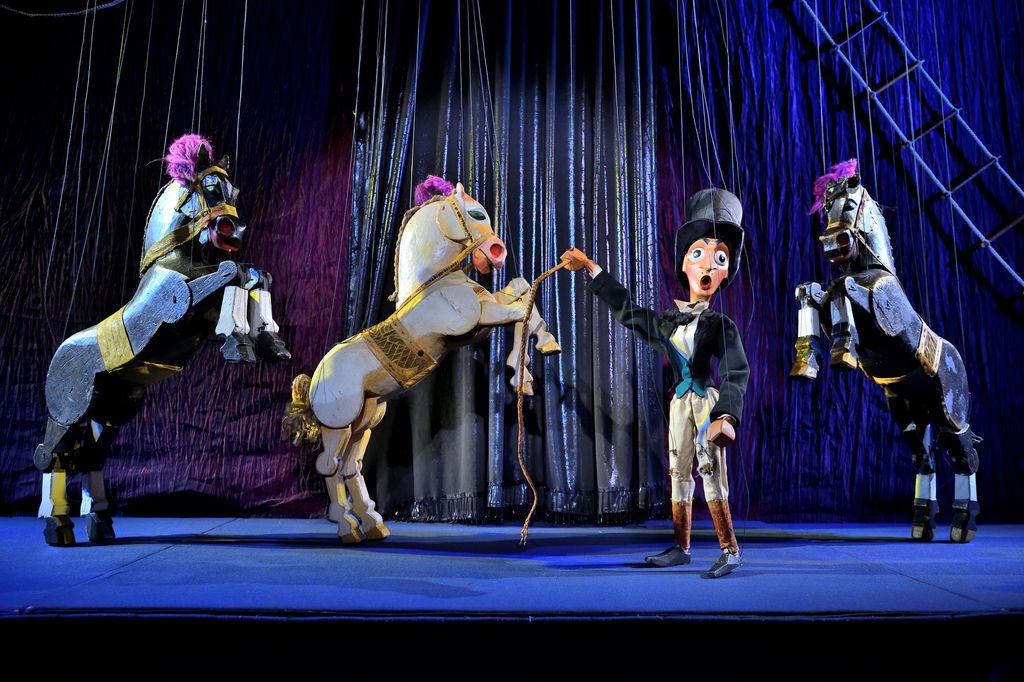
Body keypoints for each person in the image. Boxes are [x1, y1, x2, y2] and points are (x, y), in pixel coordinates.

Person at [561, 188, 750, 578]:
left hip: (707, 404)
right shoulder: (667, 322)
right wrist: (591, 267)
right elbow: (628, 310)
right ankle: (681, 546)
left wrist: (727, 415)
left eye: (720, 259)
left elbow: (736, 370)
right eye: (698, 254)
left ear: (726, 271)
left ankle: (729, 549)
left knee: (711, 472)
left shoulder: (720, 324)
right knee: (678, 472)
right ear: (684, 264)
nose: (708, 266)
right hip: (679, 404)